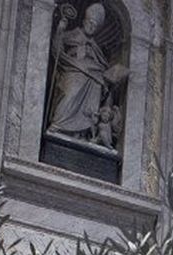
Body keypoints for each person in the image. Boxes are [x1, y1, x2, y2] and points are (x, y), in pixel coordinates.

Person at [46, 3, 128, 147]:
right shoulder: (71, 34)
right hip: (73, 69)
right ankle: (58, 125)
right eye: (90, 23)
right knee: (71, 89)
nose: (92, 27)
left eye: (95, 25)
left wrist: (109, 76)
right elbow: (57, 49)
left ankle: (81, 134)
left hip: (94, 78)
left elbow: (102, 64)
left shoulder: (96, 46)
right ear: (84, 21)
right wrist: (60, 29)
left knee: (96, 88)